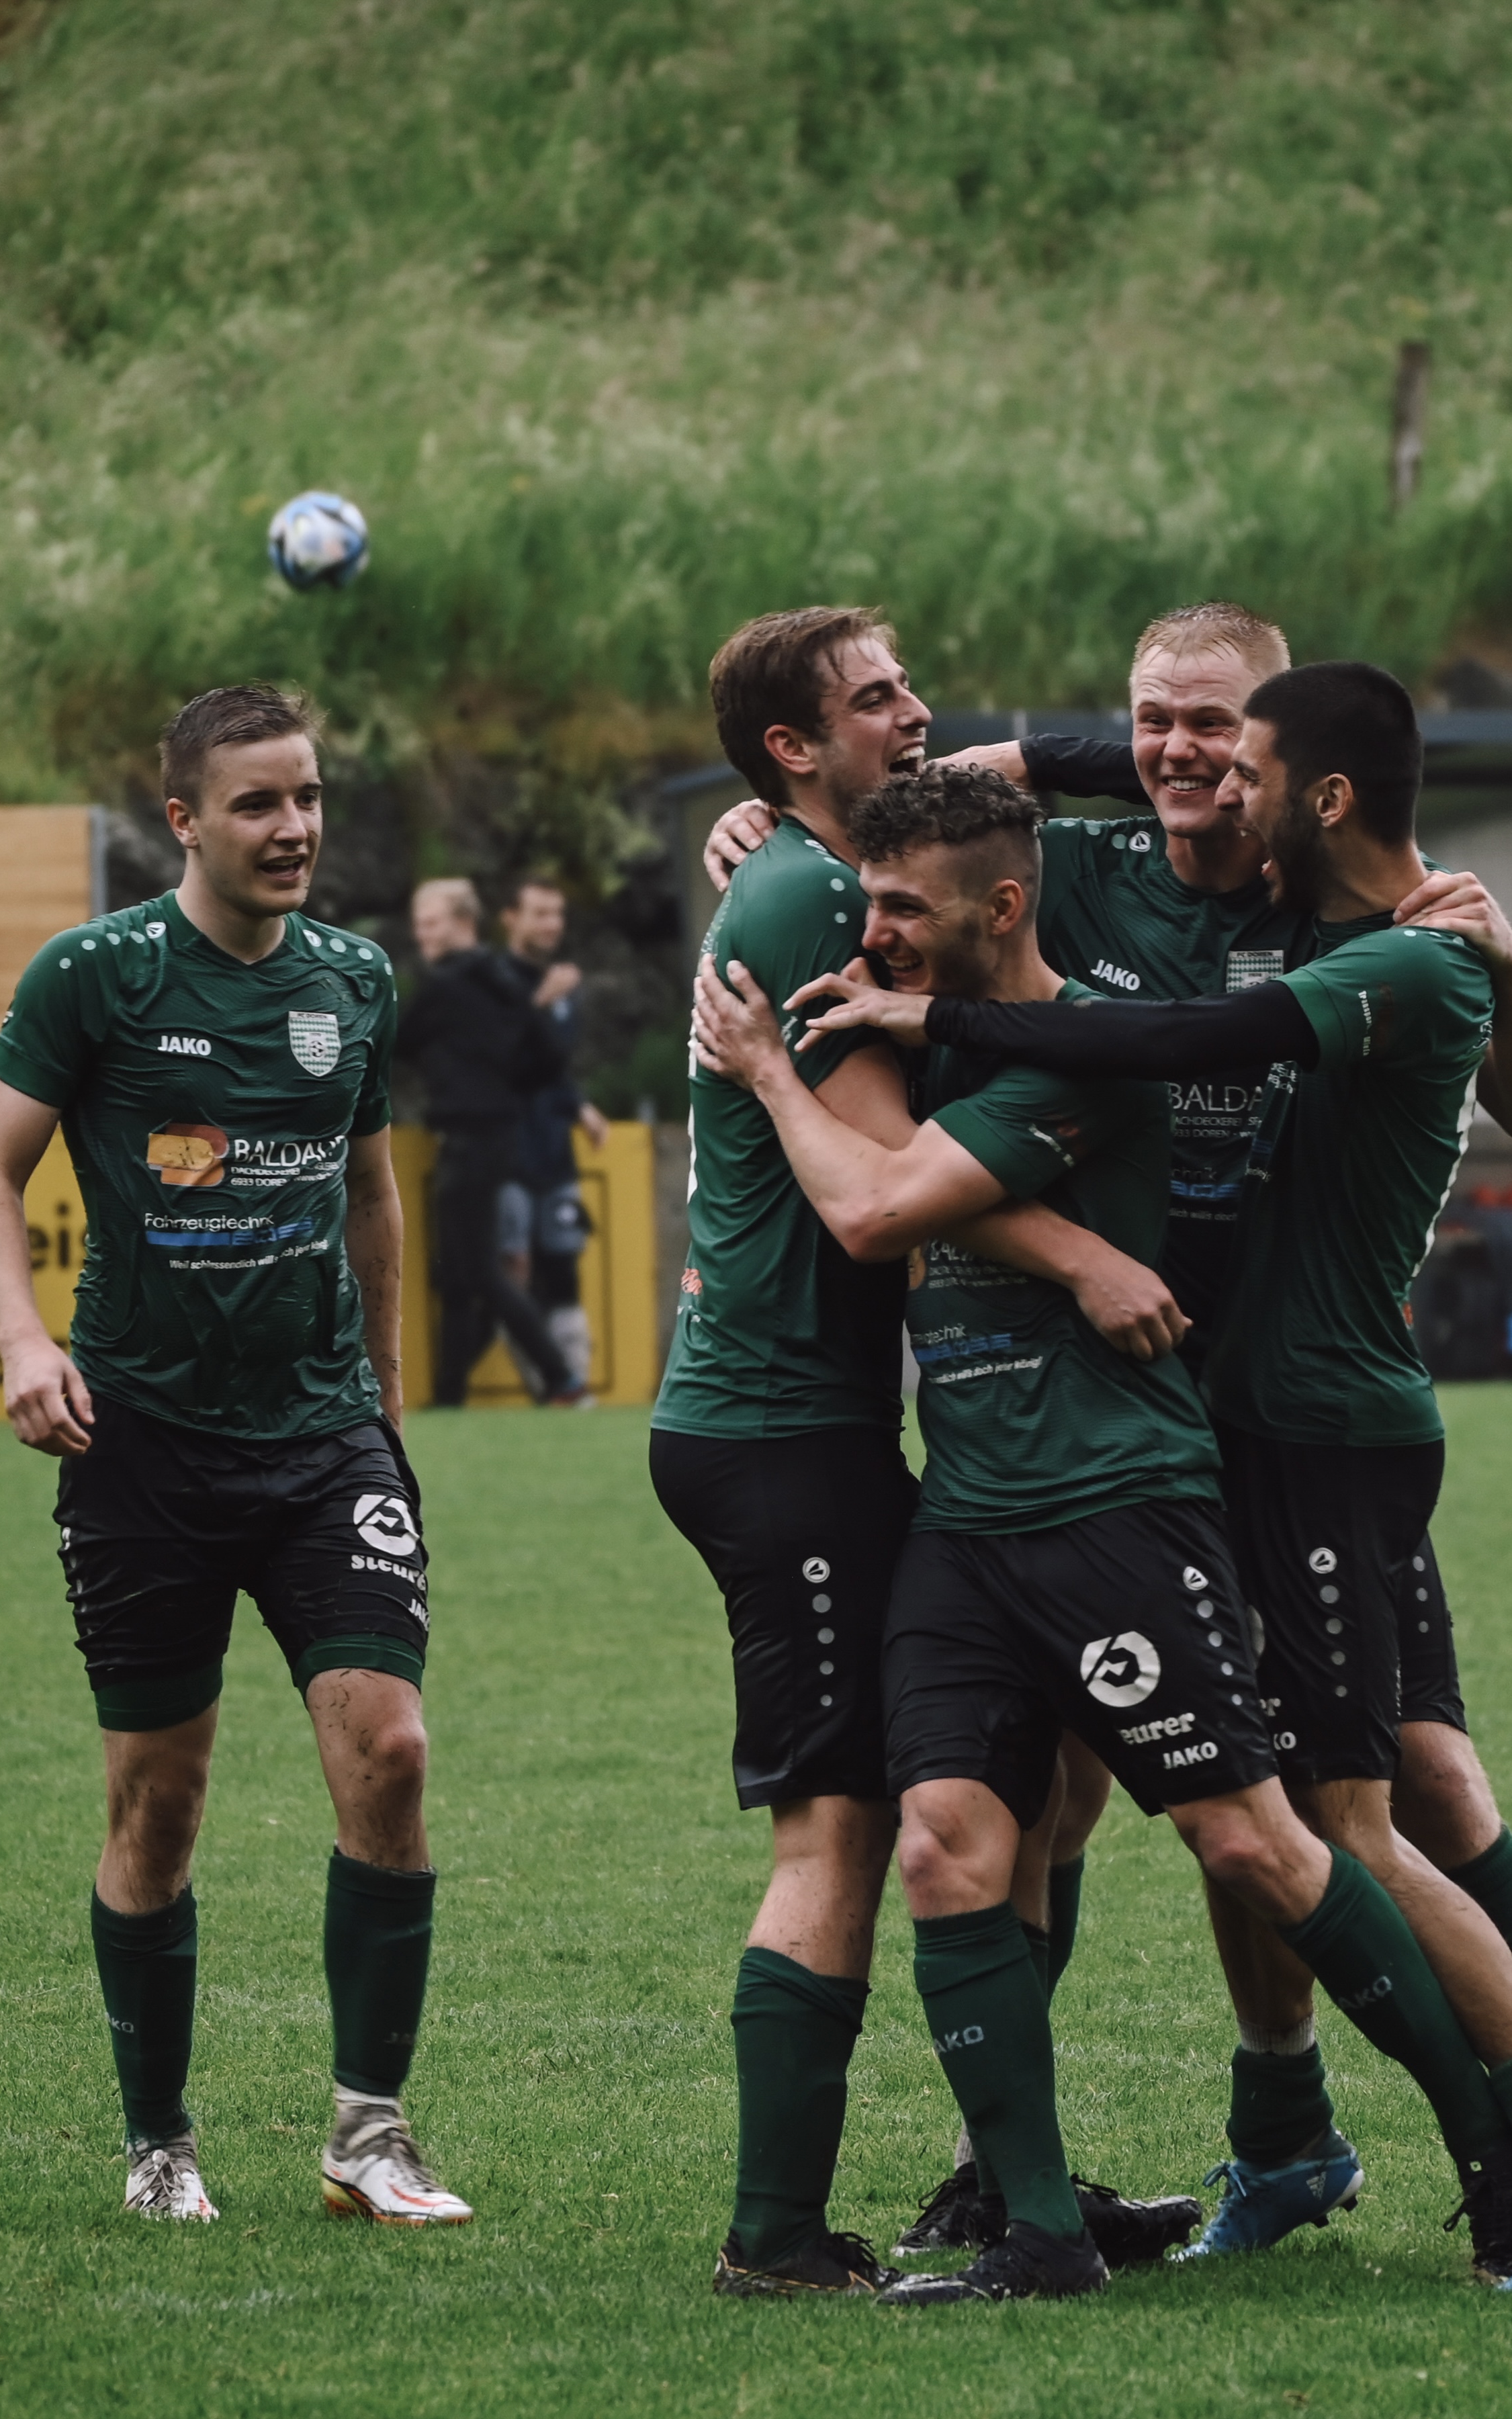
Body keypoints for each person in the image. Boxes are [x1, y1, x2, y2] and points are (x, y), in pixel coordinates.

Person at [701, 603, 1512, 2269]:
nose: (1185, 758)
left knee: (1367, 1793)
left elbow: (1200, 1051)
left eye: (1221, 735)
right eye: (1152, 723)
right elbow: (955, 806)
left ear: (1290, 775)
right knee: (1044, 1807)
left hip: (1283, 1415)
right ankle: (1178, 2157)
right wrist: (791, 825)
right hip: (1085, 1438)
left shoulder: (1336, 903)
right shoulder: (1075, 863)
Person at [652, 609, 1198, 2301]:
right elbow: (885, 1188)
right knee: (842, 1827)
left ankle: (1002, 2176)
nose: (918, 709)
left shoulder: (827, 864)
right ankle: (774, 2236)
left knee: (1032, 1782)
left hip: (823, 1419)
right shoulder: (810, 898)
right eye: (875, 697)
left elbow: (1042, 785)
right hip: (778, 1426)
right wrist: (1084, 1254)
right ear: (794, 751)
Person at [0, 683, 471, 2228]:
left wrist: (383, 1396)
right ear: (182, 819)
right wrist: (25, 1339)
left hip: (323, 1439)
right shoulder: (96, 975)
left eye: (307, 795)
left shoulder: (353, 979)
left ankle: (371, 2132)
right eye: (258, 801)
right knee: (158, 1804)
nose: (293, 825)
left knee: (392, 1749)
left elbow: (370, 1189)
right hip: (144, 1447)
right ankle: (158, 2142)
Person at [396, 879, 586, 1409]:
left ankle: (560, 1376)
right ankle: (450, 1396)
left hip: (469, 1136)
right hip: (498, 1133)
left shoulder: (445, 985)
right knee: (460, 1276)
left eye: (430, 923)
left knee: (477, 1270)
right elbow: (548, 1058)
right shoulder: (504, 981)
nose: (421, 934)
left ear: (463, 923)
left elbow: (397, 1040)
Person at [496, 879, 611, 1393]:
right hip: (506, 1152)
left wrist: (579, 1105)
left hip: (554, 1151)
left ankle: (573, 1384)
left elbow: (551, 1068)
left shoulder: (564, 987)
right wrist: (540, 1003)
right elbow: (494, 1063)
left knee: (563, 1266)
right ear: (510, 918)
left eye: (557, 914)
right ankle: (544, 1380)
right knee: (513, 1270)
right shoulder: (492, 980)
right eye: (540, 913)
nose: (551, 924)